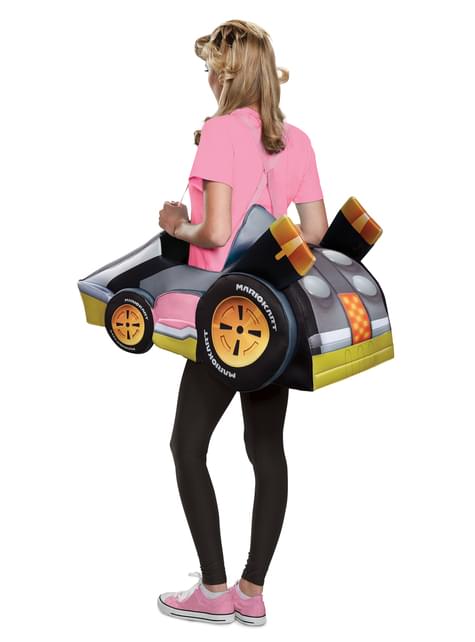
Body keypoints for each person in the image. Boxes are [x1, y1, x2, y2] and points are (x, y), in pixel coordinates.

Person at [157, 19, 328, 626]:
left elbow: (213, 232)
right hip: (274, 315)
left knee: (187, 446)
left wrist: (174, 223)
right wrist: (268, 243)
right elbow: (314, 231)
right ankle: (251, 592)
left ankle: (212, 590)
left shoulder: (220, 132)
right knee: (266, 450)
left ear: (229, 76)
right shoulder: (297, 140)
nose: (208, 78)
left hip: (224, 317)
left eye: (212, 68)